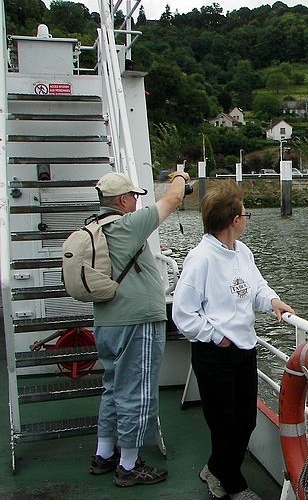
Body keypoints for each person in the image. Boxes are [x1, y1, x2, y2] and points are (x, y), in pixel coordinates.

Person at [172, 180, 294, 500]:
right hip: (215, 353)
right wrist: (217, 337)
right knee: (224, 424)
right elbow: (183, 314)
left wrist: (271, 301)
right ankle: (232, 484)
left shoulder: (242, 252)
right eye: (244, 214)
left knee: (246, 421)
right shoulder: (201, 260)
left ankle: (215, 467)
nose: (245, 218)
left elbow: (256, 288)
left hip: (244, 348)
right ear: (233, 221)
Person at [88, 170, 190, 487]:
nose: (136, 201)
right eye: (134, 196)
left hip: (107, 323)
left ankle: (104, 454)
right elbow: (173, 198)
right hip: (137, 323)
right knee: (137, 392)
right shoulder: (126, 225)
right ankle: (129, 464)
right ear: (122, 200)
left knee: (113, 387)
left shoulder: (94, 228)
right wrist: (179, 176)